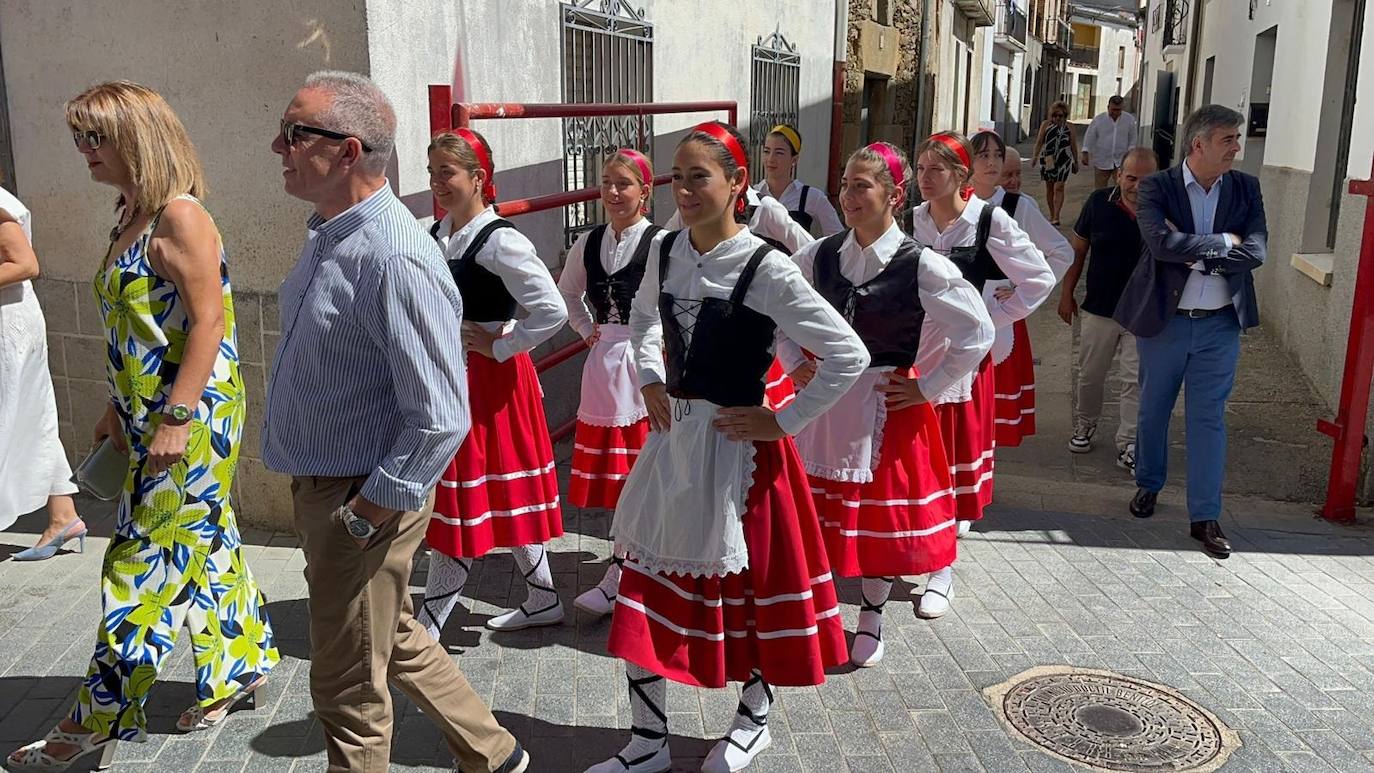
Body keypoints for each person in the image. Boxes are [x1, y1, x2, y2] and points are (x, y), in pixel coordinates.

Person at [8, 81, 280, 771]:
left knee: (137, 564)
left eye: (95, 137)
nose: (83, 151)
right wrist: (114, 404)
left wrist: (176, 417)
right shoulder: (128, 211)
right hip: (147, 411)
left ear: (138, 136)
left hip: (190, 418)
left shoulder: (180, 216)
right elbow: (139, 327)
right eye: (79, 137)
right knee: (207, 540)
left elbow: (210, 322)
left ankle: (95, 719)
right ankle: (241, 661)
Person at [264, 71, 528, 773]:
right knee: (392, 633)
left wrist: (361, 514)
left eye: (295, 134)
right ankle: (495, 752)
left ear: (348, 151)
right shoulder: (329, 233)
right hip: (334, 488)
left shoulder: (396, 256)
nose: (277, 146)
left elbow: (441, 418)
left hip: (362, 493)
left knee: (347, 689)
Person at [588, 121, 867, 773]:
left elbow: (846, 353)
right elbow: (647, 320)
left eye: (699, 175)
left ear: (738, 183)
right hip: (674, 445)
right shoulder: (664, 251)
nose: (683, 188)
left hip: (742, 459)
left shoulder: (767, 267)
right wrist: (653, 377)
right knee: (644, 590)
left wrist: (784, 421)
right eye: (677, 176)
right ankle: (648, 741)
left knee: (749, 603)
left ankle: (755, 719)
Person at [788, 142, 993, 667]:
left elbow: (977, 331)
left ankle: (872, 616)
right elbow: (770, 302)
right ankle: (822, 607)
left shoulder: (920, 264)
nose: (849, 195)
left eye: (863, 185)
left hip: (886, 406)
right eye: (845, 184)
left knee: (877, 522)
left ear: (894, 196)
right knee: (827, 514)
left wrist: (928, 386)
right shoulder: (821, 253)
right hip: (829, 405)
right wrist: (793, 360)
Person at [418, 129, 569, 638]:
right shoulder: (438, 232)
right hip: (456, 375)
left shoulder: (500, 239)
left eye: (448, 172)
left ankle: (428, 628)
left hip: (490, 382)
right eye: (433, 171)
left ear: (479, 179)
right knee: (492, 495)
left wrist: (501, 344)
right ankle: (544, 597)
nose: (438, 182)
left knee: (464, 499)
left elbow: (553, 309)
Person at [1114, 105, 1266, 559]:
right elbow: (1160, 244)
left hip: (1220, 324)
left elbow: (1256, 250)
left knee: (1208, 420)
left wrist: (1196, 253)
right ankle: (1149, 484)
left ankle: (1205, 516)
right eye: (1228, 139)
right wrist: (1223, 242)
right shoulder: (1157, 186)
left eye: (1237, 138)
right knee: (1153, 411)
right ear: (1198, 144)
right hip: (1165, 321)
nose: (1236, 148)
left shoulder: (1246, 188)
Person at [911, 131, 1053, 613]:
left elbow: (1039, 277)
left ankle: (941, 569)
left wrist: (995, 312)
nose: (924, 178)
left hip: (964, 364)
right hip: (917, 356)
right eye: (921, 168)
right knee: (918, 459)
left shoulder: (988, 221)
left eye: (936, 170)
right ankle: (911, 547)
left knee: (951, 461)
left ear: (961, 176)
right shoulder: (913, 222)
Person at [557, 149, 658, 616]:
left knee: (647, 473)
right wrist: (586, 330)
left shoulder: (661, 242)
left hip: (648, 370)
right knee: (621, 480)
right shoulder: (590, 241)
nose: (613, 192)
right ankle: (626, 566)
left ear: (645, 191)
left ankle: (630, 567)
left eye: (624, 184)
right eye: (606, 183)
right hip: (603, 371)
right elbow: (566, 294)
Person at [969, 131, 1073, 450]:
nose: (991, 163)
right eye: (983, 155)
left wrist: (1021, 287)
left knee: (988, 418)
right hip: (957, 317)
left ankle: (979, 486)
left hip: (1000, 317)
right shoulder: (954, 203)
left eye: (996, 156)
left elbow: (1062, 252)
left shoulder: (1018, 206)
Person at [0, 183, 87, 561]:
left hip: (8, 325)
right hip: (13, 321)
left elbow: (26, 264)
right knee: (33, 416)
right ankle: (63, 516)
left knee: (11, 416)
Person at [1060, 148, 1159, 471]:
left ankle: (1128, 442)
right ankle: (1085, 423)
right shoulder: (1098, 203)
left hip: (1142, 311)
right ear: (1119, 175)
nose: (1138, 186)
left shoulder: (1165, 209)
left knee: (1135, 380)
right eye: (1131, 178)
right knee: (1090, 375)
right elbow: (1078, 251)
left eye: (1147, 180)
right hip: (1100, 308)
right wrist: (1067, 293)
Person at [755, 124, 844, 237]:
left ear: (794, 159)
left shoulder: (812, 197)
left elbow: (838, 237)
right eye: (767, 151)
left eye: (779, 153)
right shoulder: (753, 194)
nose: (771, 159)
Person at [1031, 101, 1079, 225]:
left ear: (1065, 115)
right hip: (1048, 159)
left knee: (1059, 187)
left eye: (1060, 115)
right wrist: (1035, 157)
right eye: (1055, 115)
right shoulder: (1045, 125)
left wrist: (1076, 161)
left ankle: (1057, 216)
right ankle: (1052, 214)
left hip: (1064, 159)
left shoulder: (1070, 127)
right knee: (1050, 187)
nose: (1057, 118)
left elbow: (1073, 145)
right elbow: (1039, 142)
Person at [1081, 96, 1139, 189]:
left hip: (1121, 160)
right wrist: (1085, 153)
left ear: (1122, 108)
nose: (1115, 112)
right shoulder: (1099, 120)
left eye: (1118, 110)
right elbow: (1090, 136)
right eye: (1113, 109)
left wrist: (1130, 155)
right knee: (1100, 189)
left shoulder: (1129, 120)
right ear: (1108, 107)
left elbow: (1133, 138)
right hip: (1102, 160)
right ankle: (1102, 203)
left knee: (1121, 187)